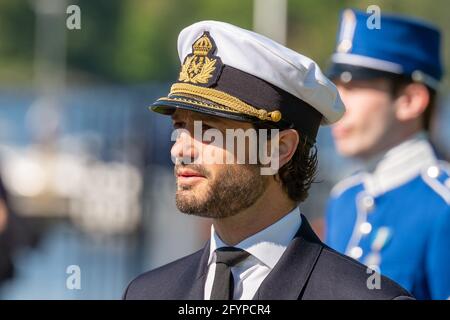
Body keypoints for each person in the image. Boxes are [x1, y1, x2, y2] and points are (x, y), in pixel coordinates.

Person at [124, 20, 412, 300]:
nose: (180, 150)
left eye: (209, 130)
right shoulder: (145, 293)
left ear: (280, 149)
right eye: (179, 127)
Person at [325, 9, 450, 300]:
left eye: (353, 87)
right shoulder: (344, 198)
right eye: (336, 87)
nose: (337, 106)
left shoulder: (443, 205)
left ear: (410, 100)